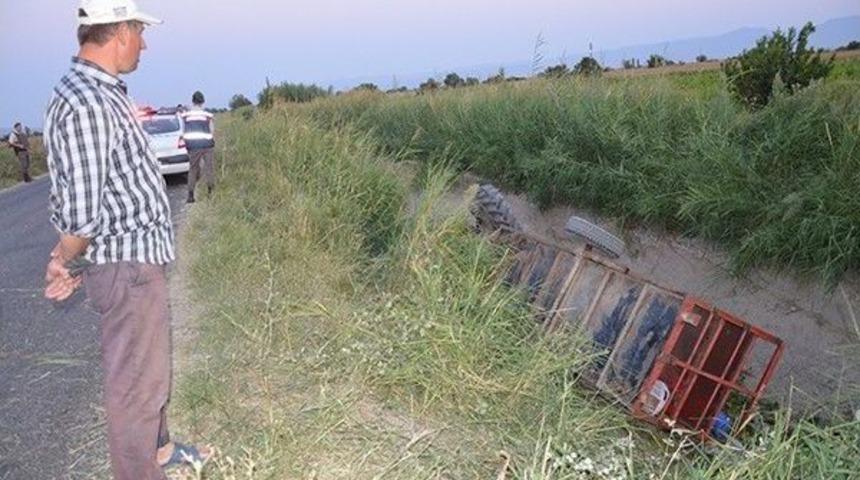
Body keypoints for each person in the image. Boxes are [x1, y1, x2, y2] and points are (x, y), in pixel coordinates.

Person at [42, 1, 209, 478]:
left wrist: (70, 257)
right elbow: (80, 211)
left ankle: (160, 450)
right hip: (127, 264)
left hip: (131, 260)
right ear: (118, 32)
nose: (144, 43)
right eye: (139, 31)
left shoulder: (101, 92)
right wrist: (64, 259)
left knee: (147, 373)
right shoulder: (88, 101)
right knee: (136, 385)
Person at [181, 91, 216, 203]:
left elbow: (183, 131)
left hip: (193, 146)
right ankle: (210, 193)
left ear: (193, 101)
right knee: (209, 168)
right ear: (203, 102)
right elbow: (211, 130)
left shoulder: (185, 116)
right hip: (207, 145)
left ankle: (190, 196)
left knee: (193, 169)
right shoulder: (207, 115)